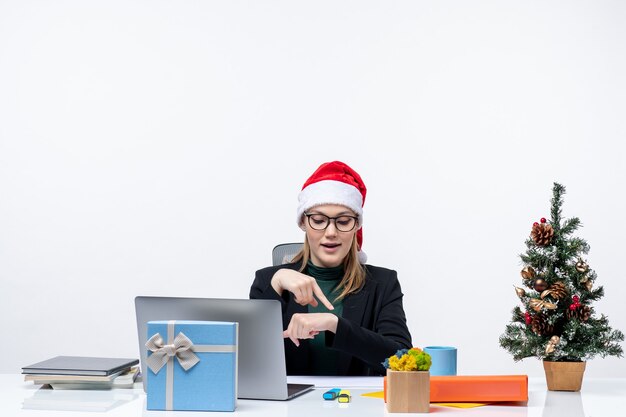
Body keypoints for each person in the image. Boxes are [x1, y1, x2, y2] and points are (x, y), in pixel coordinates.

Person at [250, 161, 412, 376]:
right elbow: (251, 359)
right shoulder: (267, 281)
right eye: (319, 220)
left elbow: (401, 358)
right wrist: (276, 284)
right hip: (289, 409)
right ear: (303, 223)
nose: (331, 232)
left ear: (356, 226)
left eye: (343, 222)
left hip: (358, 406)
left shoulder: (383, 283)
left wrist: (335, 324)